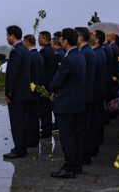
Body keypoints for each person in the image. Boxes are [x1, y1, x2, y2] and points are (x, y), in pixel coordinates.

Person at [49, 27, 86, 178]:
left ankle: (69, 167)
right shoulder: (79, 55)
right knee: (76, 136)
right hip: (77, 102)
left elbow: (57, 80)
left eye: (62, 39)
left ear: (65, 41)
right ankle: (76, 165)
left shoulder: (69, 58)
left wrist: (53, 89)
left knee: (67, 138)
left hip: (67, 104)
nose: (60, 42)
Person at [3, 25, 32, 159]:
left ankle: (18, 149)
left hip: (17, 94)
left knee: (17, 122)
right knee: (23, 122)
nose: (7, 38)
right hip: (25, 92)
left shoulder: (16, 51)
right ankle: (22, 147)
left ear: (12, 36)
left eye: (8, 35)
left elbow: (12, 75)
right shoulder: (25, 50)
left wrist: (9, 93)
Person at [76, 26, 96, 167]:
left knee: (83, 127)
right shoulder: (87, 51)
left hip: (84, 95)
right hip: (87, 93)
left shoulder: (85, 52)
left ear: (81, 37)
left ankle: (83, 155)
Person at [23, 34, 42, 148]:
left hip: (31, 90)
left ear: (28, 42)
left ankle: (31, 139)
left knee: (30, 116)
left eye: (24, 42)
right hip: (37, 88)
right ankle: (34, 138)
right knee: (34, 115)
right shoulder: (38, 55)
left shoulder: (30, 56)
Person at [38, 30, 55, 138]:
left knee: (43, 109)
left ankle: (45, 130)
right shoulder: (51, 50)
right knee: (47, 108)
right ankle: (46, 129)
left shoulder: (44, 52)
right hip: (49, 82)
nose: (38, 40)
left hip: (44, 83)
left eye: (39, 38)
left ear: (44, 39)